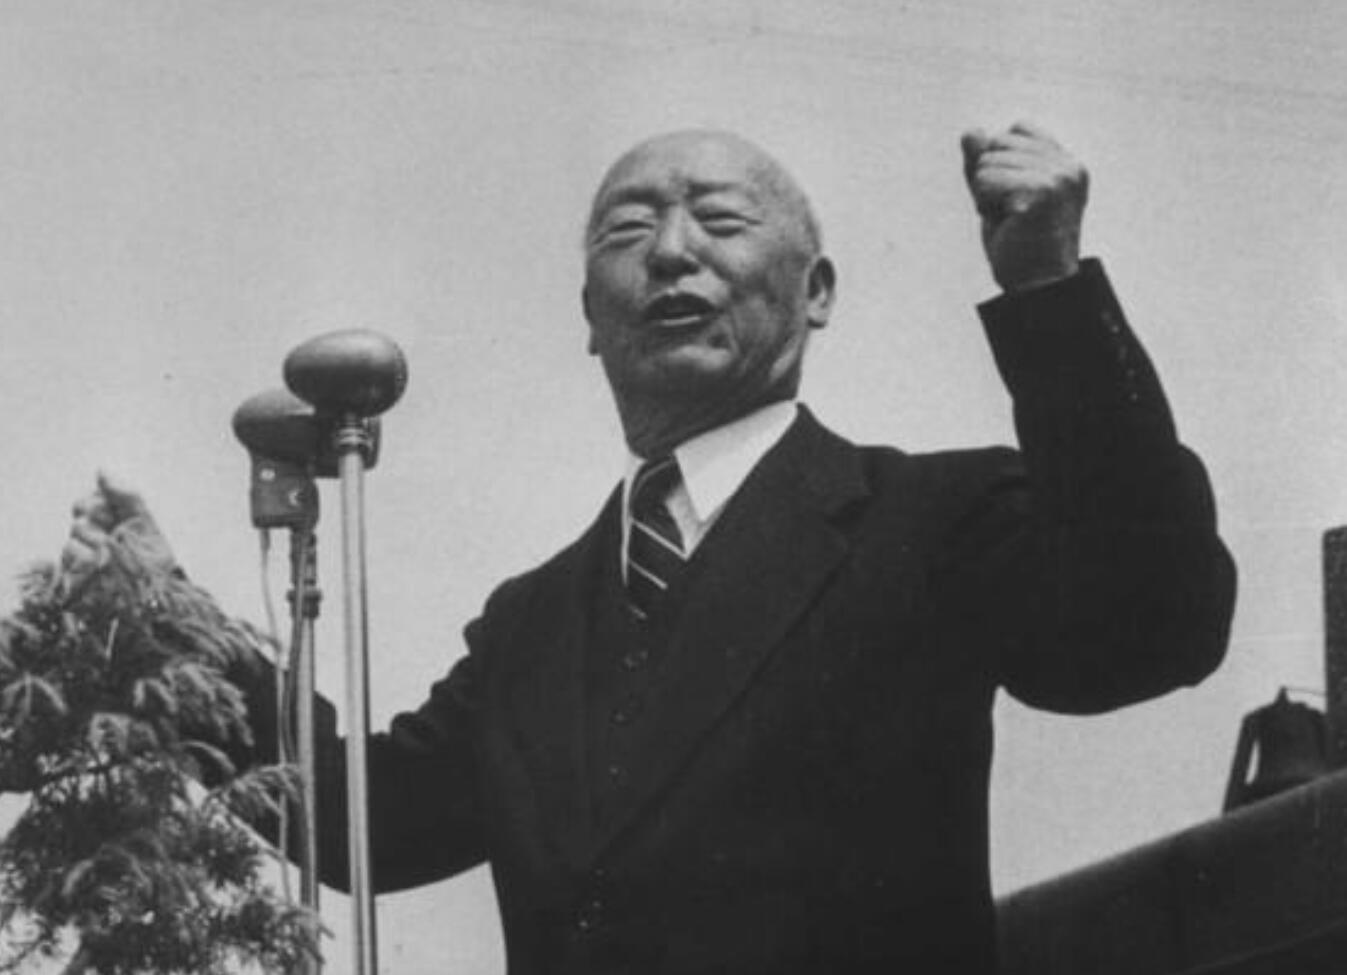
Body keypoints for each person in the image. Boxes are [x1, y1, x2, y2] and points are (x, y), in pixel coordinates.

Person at [62, 123, 1236, 974]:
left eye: (721, 221)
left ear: (817, 292)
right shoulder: (531, 622)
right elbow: (372, 821)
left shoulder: (928, 518)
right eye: (630, 230)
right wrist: (164, 622)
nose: (672, 252)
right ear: (590, 317)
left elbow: (1153, 625)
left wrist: (1048, 290)